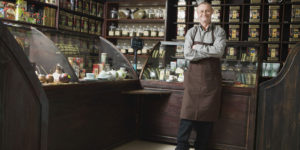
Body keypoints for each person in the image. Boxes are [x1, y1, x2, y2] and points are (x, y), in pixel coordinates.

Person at [175, 2, 226, 150]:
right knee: (187, 115)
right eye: (201, 11)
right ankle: (181, 146)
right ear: (197, 14)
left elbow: (219, 52)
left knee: (207, 117)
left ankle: (201, 146)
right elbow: (188, 54)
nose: (204, 14)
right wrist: (208, 50)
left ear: (212, 12)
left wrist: (198, 47)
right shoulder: (191, 31)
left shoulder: (219, 31)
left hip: (211, 82)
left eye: (207, 11)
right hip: (193, 81)